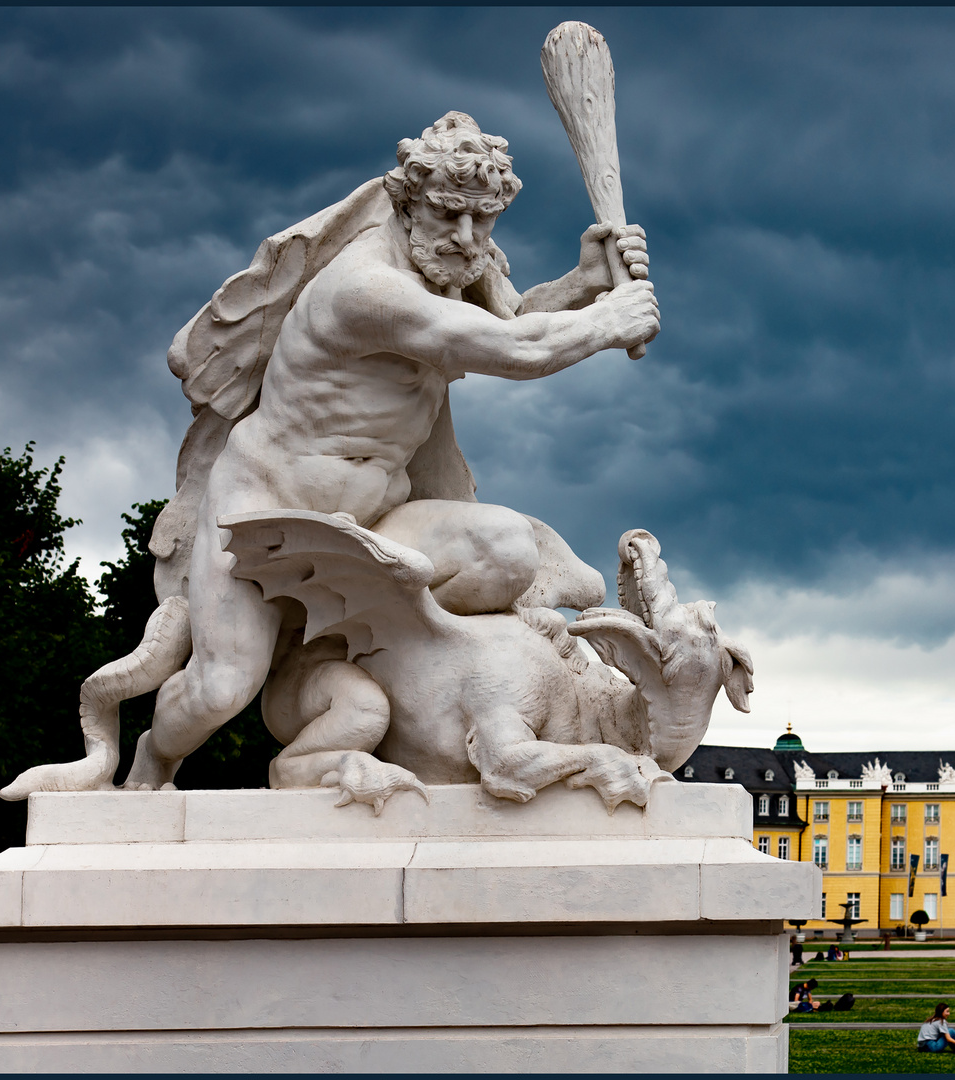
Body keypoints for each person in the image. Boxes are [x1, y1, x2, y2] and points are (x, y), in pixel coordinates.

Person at [110, 111, 659, 794]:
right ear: (406, 203)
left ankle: (389, 688)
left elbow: (509, 320)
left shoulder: (458, 263)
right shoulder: (364, 287)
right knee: (221, 689)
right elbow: (511, 350)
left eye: (481, 222)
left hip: (375, 518)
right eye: (446, 215)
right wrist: (608, 320)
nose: (465, 240)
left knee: (509, 553)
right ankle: (146, 771)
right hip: (266, 514)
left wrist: (583, 284)